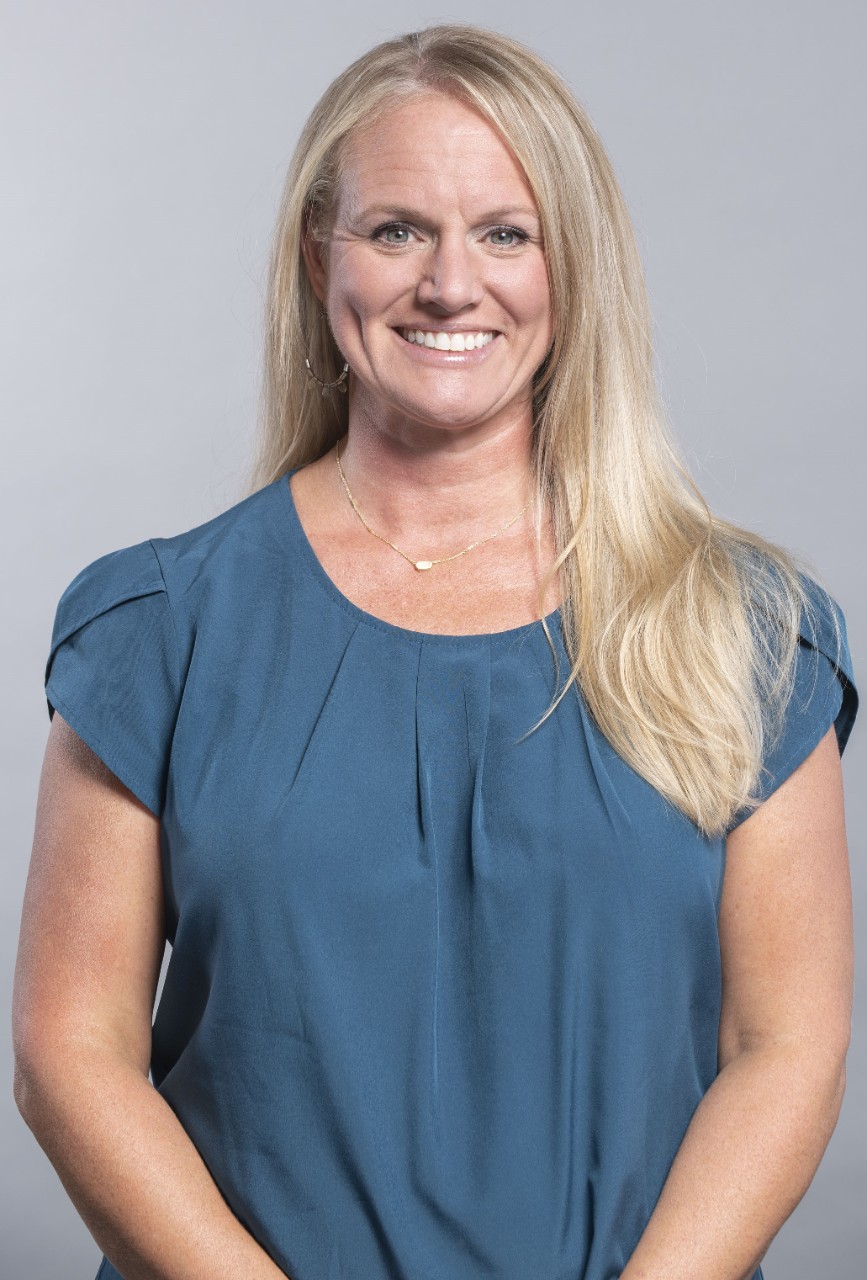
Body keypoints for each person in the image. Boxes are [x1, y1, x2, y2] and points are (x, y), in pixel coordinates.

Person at [12, 22, 858, 1280]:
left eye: (506, 233)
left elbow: (783, 1041)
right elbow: (67, 1045)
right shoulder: (162, 626)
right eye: (397, 228)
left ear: (572, 268)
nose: (451, 284)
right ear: (319, 257)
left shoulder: (736, 627)